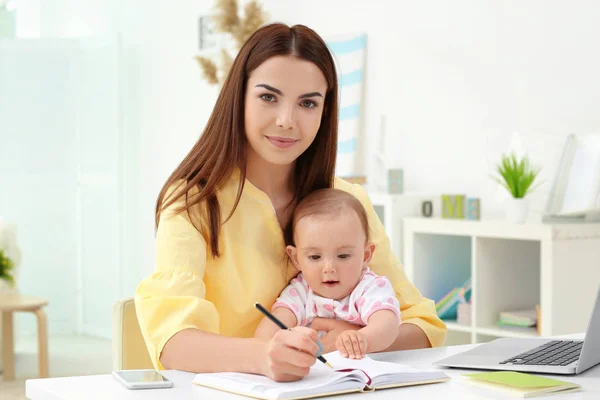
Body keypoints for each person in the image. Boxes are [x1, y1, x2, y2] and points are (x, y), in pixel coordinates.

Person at [135, 22, 446, 383]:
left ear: (324, 112)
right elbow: (173, 343)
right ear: (240, 98)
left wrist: (346, 339)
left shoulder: (348, 201)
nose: (286, 121)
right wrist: (266, 355)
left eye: (308, 103)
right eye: (268, 97)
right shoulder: (193, 204)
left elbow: (424, 330)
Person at [255, 188, 401, 360]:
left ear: (366, 255)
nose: (329, 268)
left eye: (343, 256)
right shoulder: (300, 291)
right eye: (315, 257)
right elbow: (269, 329)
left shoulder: (369, 287)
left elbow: (388, 324)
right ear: (296, 258)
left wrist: (363, 339)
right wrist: (272, 346)